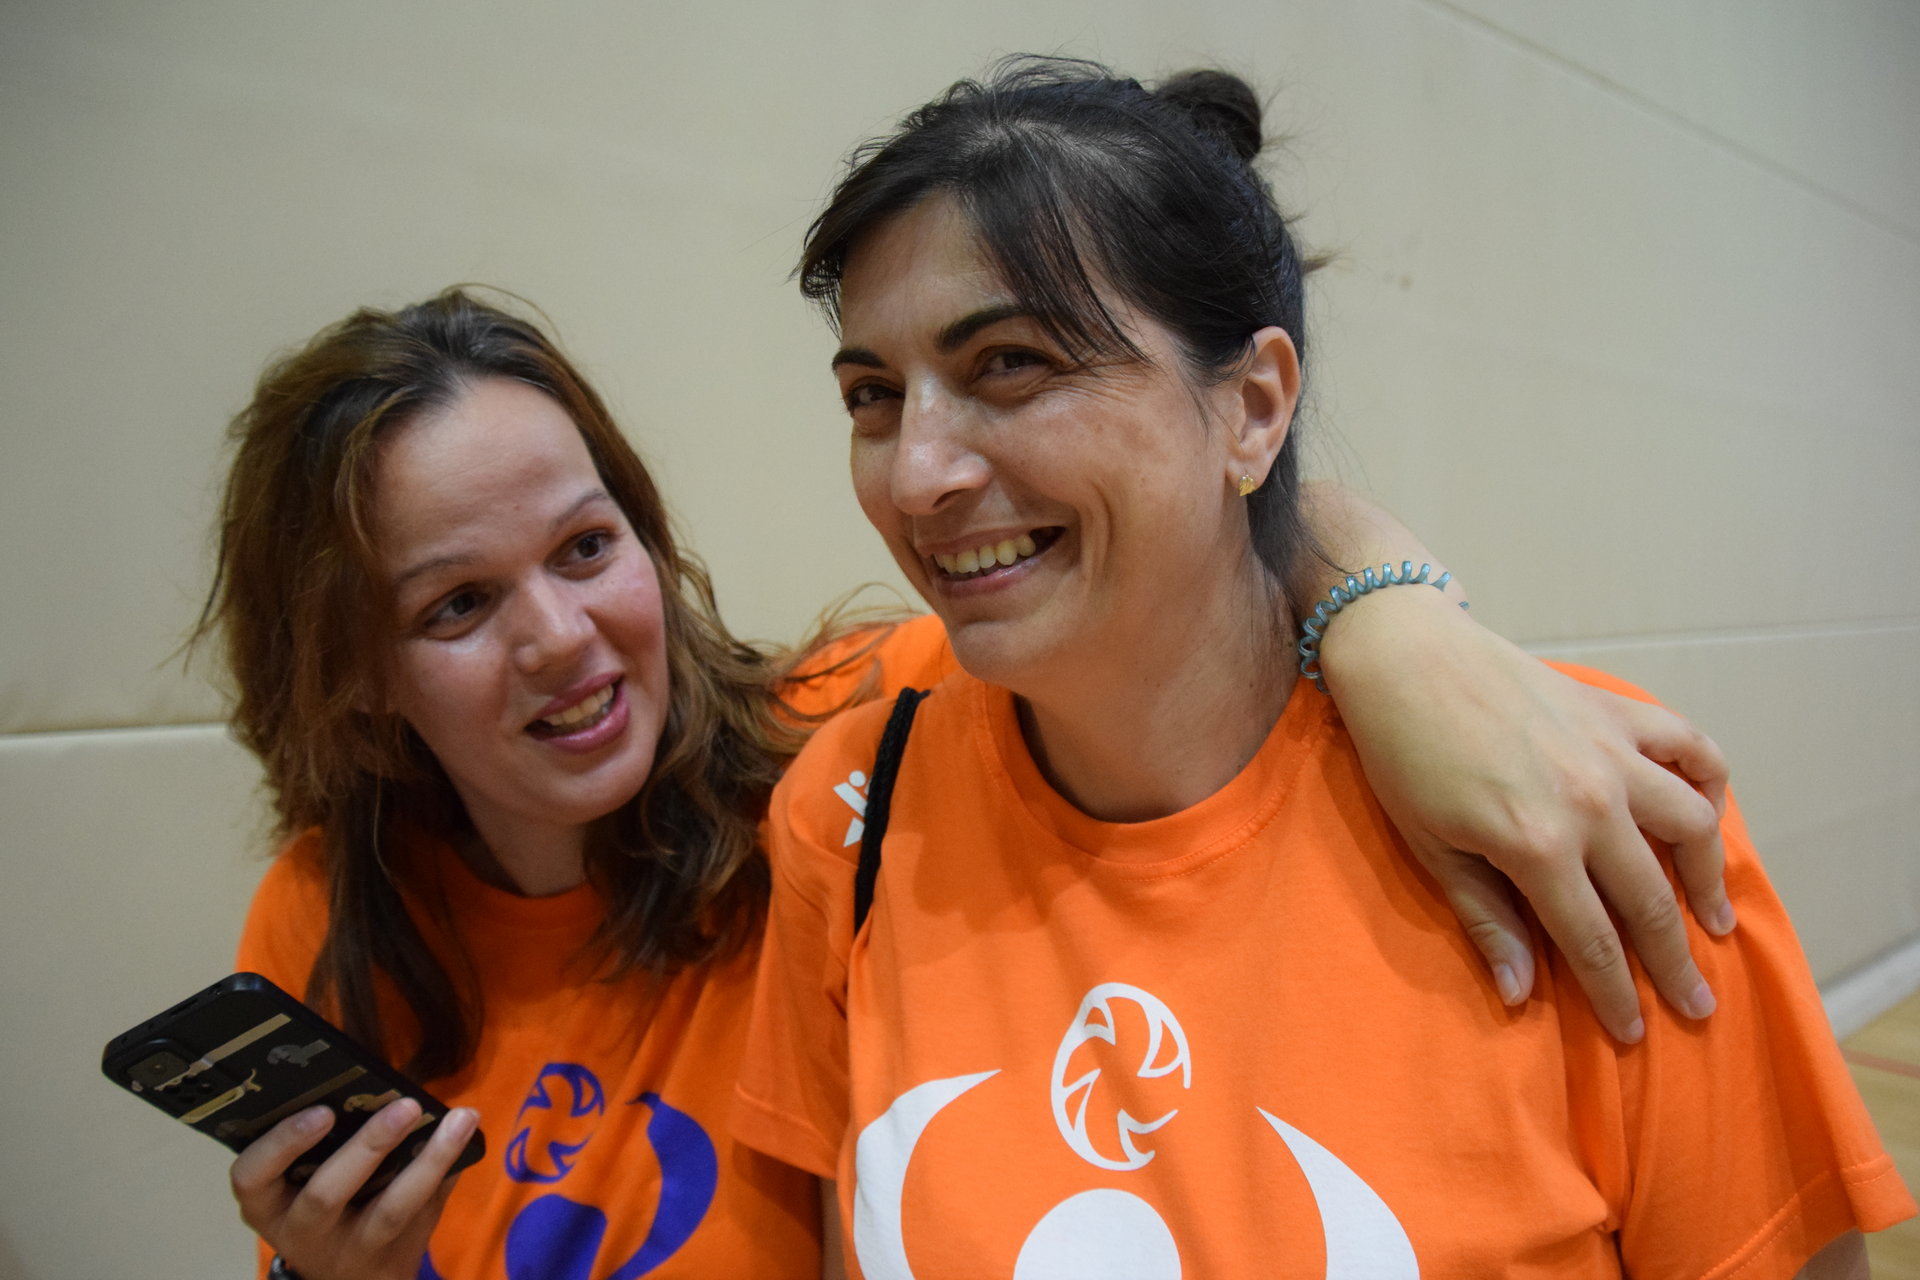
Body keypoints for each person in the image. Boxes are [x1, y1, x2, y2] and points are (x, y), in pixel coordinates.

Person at [198, 284, 1741, 1278]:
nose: (559, 636)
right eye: (457, 606)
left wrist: (1393, 618)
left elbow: (1200, 539)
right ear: (353, 670)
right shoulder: (330, 920)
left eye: (587, 547)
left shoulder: (846, 754)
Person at [734, 60, 1915, 1278]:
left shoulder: (1577, 802)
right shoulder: (850, 812)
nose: (916, 472)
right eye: (873, 395)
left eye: (1012, 363)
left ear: (1253, 406)